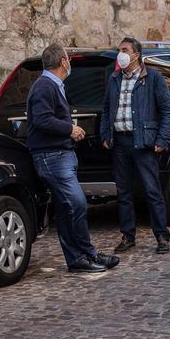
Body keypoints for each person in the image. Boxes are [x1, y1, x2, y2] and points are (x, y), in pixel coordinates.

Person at [27, 44, 119, 273]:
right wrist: (70, 129)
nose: (70, 63)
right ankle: (83, 254)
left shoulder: (54, 86)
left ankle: (84, 255)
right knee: (77, 204)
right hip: (52, 157)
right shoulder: (44, 87)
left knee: (68, 208)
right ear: (62, 62)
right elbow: (42, 120)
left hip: (60, 155)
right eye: (68, 59)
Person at [102, 37, 170, 255]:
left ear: (136, 54)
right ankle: (128, 235)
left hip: (144, 143)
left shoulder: (152, 77)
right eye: (119, 50)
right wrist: (105, 134)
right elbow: (107, 108)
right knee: (123, 192)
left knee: (152, 190)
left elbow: (167, 109)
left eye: (124, 50)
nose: (120, 54)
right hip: (120, 142)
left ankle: (162, 236)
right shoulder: (114, 78)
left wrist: (162, 139)